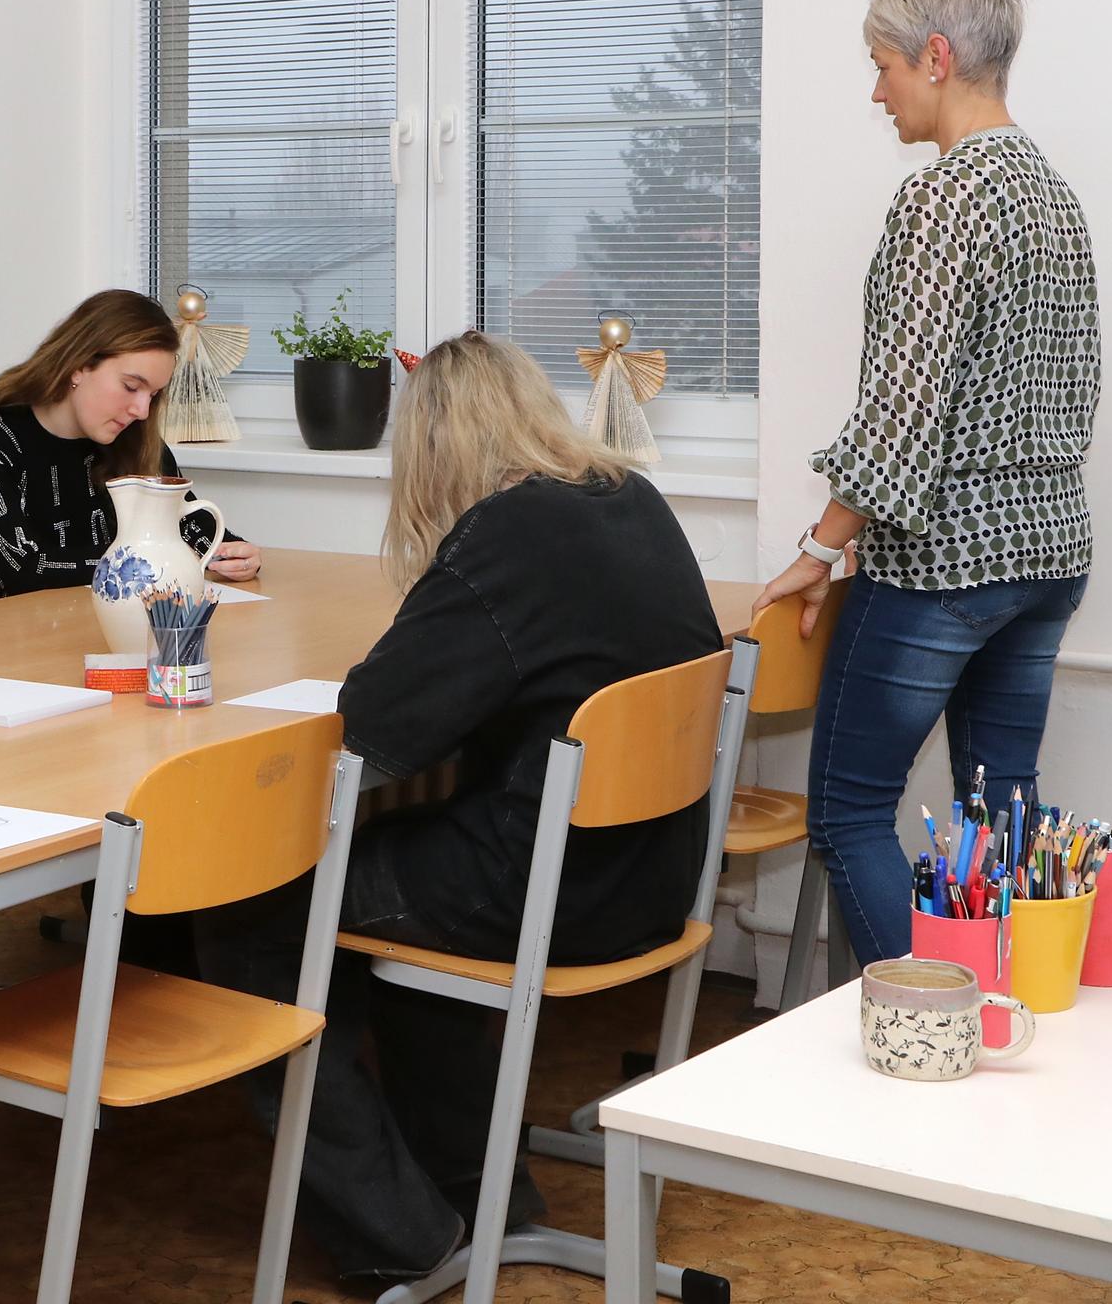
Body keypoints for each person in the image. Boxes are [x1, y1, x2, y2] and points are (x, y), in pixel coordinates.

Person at [194, 330, 722, 1281]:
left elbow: (378, 723)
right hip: (654, 875)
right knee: (402, 891)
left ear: (436, 441)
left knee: (250, 907)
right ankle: (481, 1195)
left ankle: (396, 1233)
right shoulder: (628, 497)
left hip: (549, 889)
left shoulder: (506, 536)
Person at [752, 0, 1099, 966]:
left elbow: (902, 417)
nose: (878, 93)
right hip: (1049, 554)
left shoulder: (942, 199)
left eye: (885, 67)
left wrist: (820, 548)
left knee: (848, 813)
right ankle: (1015, 1019)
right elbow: (1059, 390)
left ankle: (930, 1037)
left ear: (936, 58)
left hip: (946, 568)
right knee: (1004, 816)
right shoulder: (1053, 194)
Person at [0, 288, 260, 610]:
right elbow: (23, 569)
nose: (142, 411)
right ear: (78, 365)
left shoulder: (134, 439)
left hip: (86, 628)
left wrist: (235, 556)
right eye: (131, 386)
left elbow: (192, 532)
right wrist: (153, 560)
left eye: (154, 394)